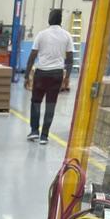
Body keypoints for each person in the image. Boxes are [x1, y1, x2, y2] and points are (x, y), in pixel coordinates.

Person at [24, 9, 74, 145]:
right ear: (60, 20)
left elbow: (32, 56)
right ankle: (44, 136)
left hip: (41, 74)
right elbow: (70, 58)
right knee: (50, 105)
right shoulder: (67, 36)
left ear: (50, 19)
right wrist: (67, 77)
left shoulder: (42, 34)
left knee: (36, 102)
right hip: (57, 75)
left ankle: (34, 131)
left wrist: (27, 75)